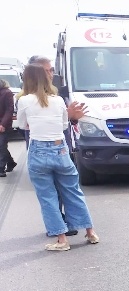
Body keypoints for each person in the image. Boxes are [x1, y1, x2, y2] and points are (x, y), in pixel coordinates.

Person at [16, 64, 98, 251]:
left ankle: (62, 240)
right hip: (60, 148)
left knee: (48, 197)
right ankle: (90, 232)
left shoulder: (24, 101)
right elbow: (63, 125)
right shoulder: (59, 100)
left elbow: (22, 124)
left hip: (38, 150)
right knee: (73, 191)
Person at [28, 55, 87, 237]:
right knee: (50, 191)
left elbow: (66, 123)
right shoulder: (27, 98)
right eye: (46, 71)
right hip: (40, 148)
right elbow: (27, 125)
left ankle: (68, 224)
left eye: (51, 70)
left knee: (66, 189)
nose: (50, 74)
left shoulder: (59, 95)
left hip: (62, 146)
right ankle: (59, 225)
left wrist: (73, 117)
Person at [0, 79, 17, 177]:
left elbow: (9, 110)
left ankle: (1, 169)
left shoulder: (7, 93)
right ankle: (11, 162)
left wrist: (3, 124)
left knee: (1, 145)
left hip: (4, 124)